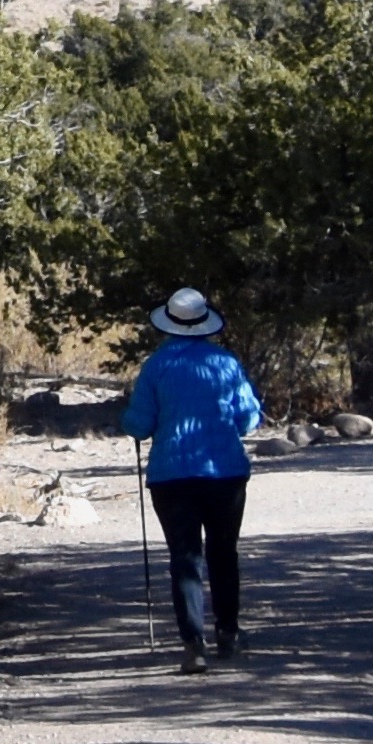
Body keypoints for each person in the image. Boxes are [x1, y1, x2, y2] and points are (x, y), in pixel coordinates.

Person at [120, 286, 261, 669]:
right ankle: (228, 633)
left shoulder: (156, 365)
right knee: (223, 552)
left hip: (172, 475)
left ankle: (193, 644)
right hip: (225, 473)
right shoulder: (225, 363)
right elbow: (248, 419)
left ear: (170, 323)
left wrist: (129, 424)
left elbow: (139, 423)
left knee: (184, 557)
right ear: (203, 322)